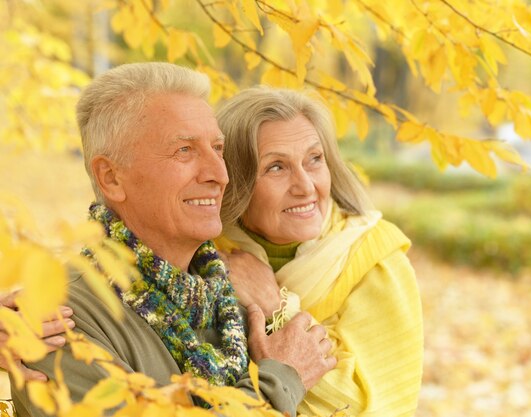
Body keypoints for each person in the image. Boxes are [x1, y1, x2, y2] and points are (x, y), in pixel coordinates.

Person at [10, 63, 336, 417]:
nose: (220, 174)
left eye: (217, 148)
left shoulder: (234, 298)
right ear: (111, 177)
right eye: (184, 150)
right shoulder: (58, 323)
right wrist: (279, 382)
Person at [215, 87, 424, 417]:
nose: (306, 186)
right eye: (276, 168)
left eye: (314, 159)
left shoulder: (375, 259)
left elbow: (359, 407)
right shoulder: (208, 255)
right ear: (237, 184)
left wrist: (274, 305)